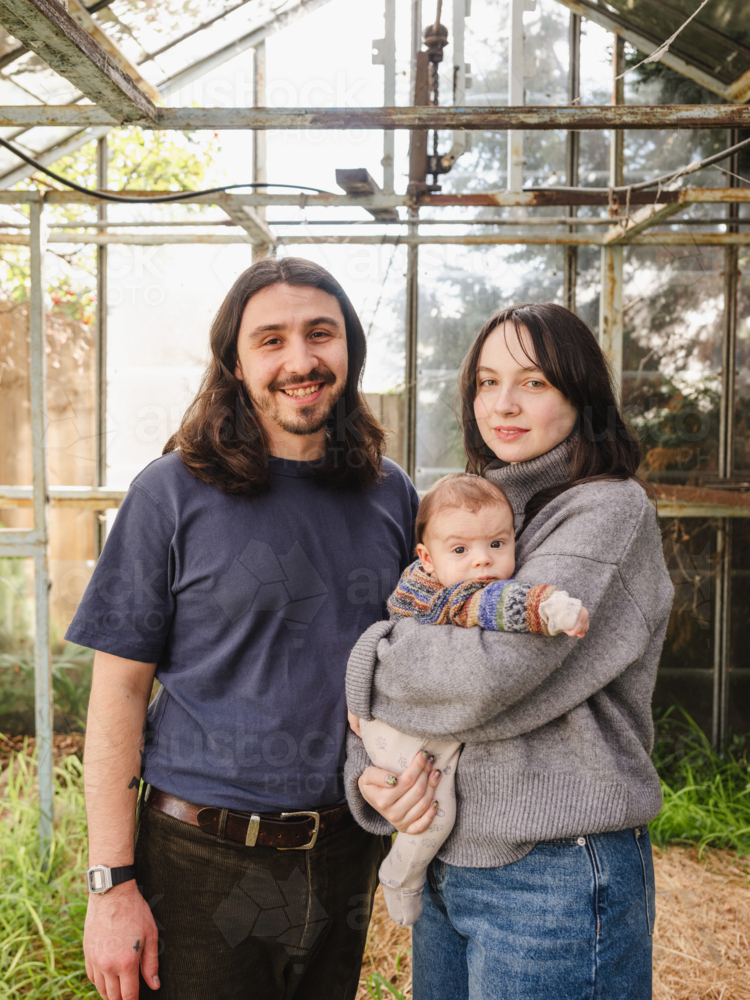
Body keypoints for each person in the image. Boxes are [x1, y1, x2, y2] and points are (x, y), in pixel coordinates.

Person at [66, 257, 420, 1000]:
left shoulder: (392, 496)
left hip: (343, 854)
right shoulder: (168, 494)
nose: (301, 360)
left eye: (321, 334)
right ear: (235, 361)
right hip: (198, 860)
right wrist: (112, 885)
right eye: (272, 340)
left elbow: (415, 666)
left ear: (349, 350)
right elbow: (118, 694)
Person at [345, 303, 674, 1000]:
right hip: (450, 864)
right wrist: (374, 777)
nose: (503, 404)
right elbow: (421, 638)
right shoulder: (486, 511)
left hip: (555, 871)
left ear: (580, 394)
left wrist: (370, 659)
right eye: (486, 382)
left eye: (533, 382)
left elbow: (486, 680)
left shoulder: (605, 511)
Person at [347, 472, 588, 926]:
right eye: (461, 550)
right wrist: (555, 609)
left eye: (497, 544)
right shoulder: (453, 597)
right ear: (427, 557)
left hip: (408, 718)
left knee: (427, 807)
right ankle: (402, 874)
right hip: (405, 729)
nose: (483, 562)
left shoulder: (433, 580)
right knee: (436, 813)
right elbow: (503, 606)